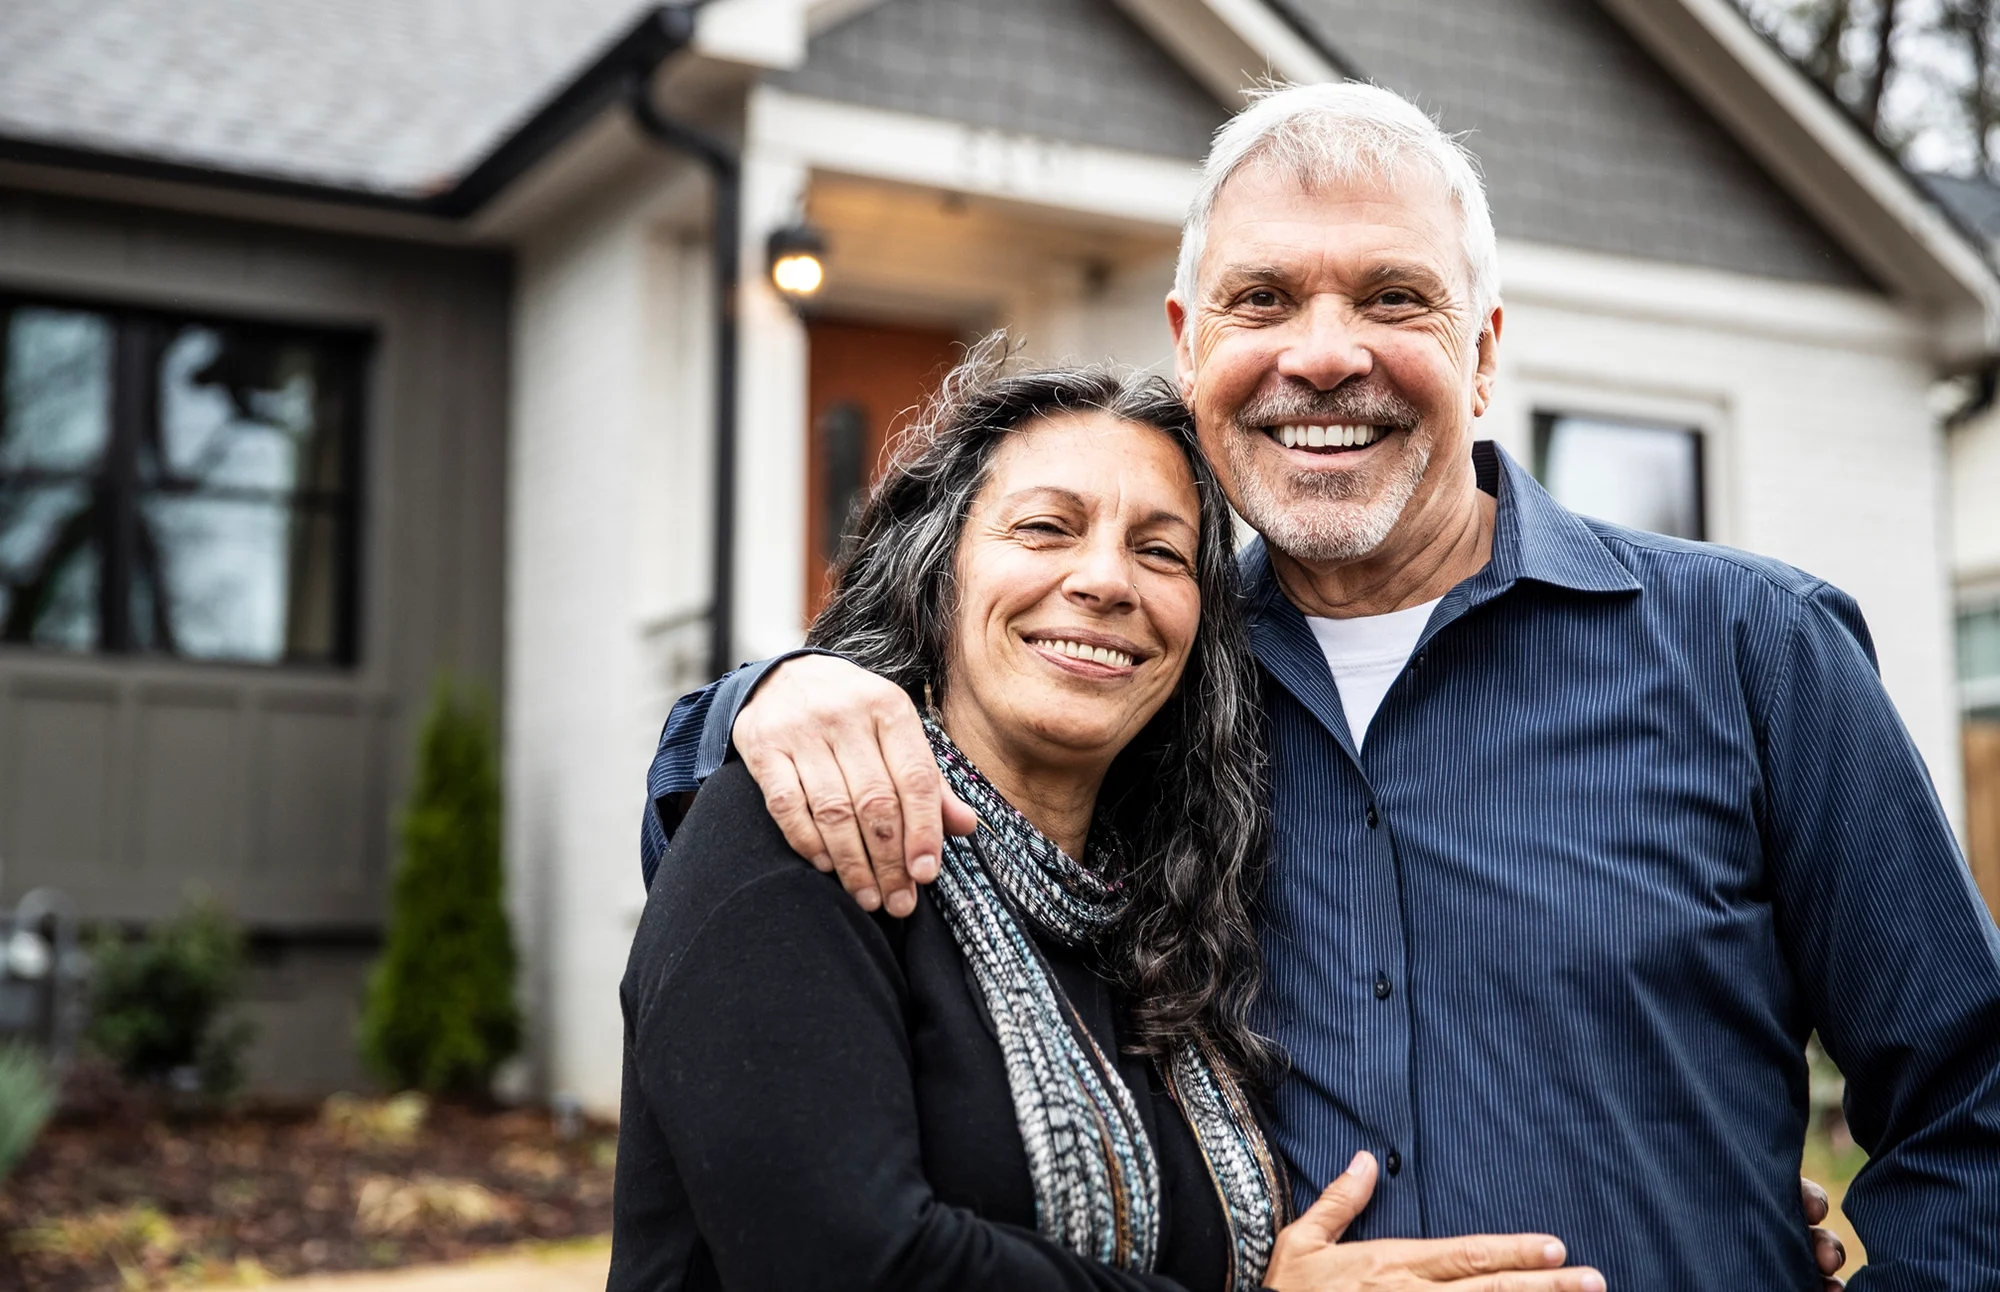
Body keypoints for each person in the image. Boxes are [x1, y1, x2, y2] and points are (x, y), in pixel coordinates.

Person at [642, 83, 2000, 1288]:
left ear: (1481, 350)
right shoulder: (1140, 689)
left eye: (1395, 296)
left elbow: (1971, 1104)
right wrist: (770, 693)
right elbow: (865, 806)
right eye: (1264, 298)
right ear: (1192, 341)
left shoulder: (1755, 653)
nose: (1326, 353)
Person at [609, 356, 1609, 1291]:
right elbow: (853, 1260)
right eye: (1045, 528)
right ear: (938, 571)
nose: (1104, 580)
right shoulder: (812, 830)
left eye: (1158, 550)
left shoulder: (1151, 931)